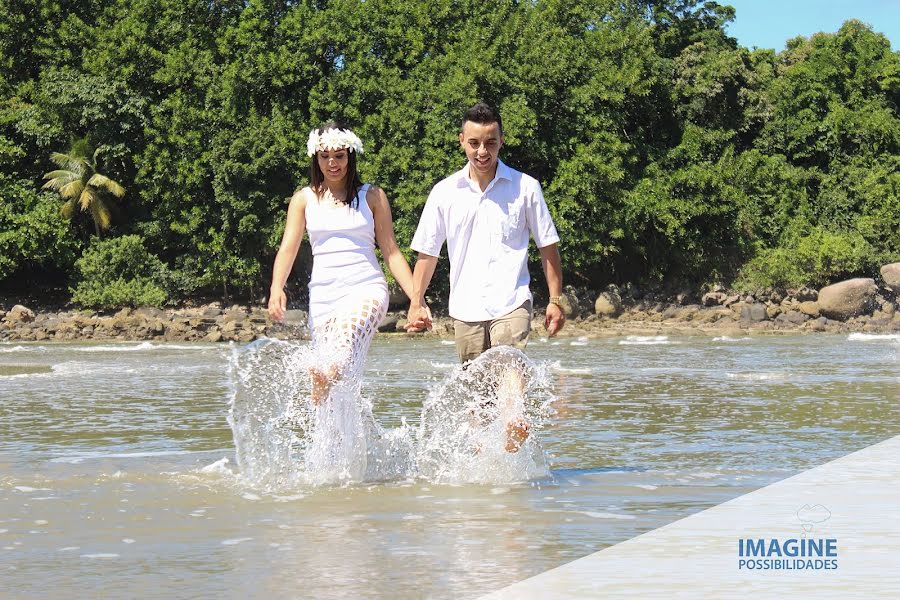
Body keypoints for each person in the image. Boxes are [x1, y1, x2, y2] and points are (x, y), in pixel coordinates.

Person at [406, 101, 565, 451]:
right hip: (465, 308)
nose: (482, 151)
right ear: (462, 140)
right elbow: (427, 254)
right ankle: (490, 479)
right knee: (478, 403)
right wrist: (416, 302)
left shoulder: (525, 187)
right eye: (475, 142)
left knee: (509, 359)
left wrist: (555, 300)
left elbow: (548, 246)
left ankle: (515, 419)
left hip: (512, 300)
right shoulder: (444, 192)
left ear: (501, 141)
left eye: (490, 142)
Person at [268, 122, 418, 404]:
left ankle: (325, 375)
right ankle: (354, 440)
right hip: (324, 297)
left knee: (345, 342)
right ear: (316, 158)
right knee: (343, 392)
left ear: (350, 155)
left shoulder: (372, 196)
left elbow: (391, 252)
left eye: (339, 155)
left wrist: (416, 299)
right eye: (325, 157)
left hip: (366, 289)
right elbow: (288, 248)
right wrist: (277, 287)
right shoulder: (304, 199)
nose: (332, 163)